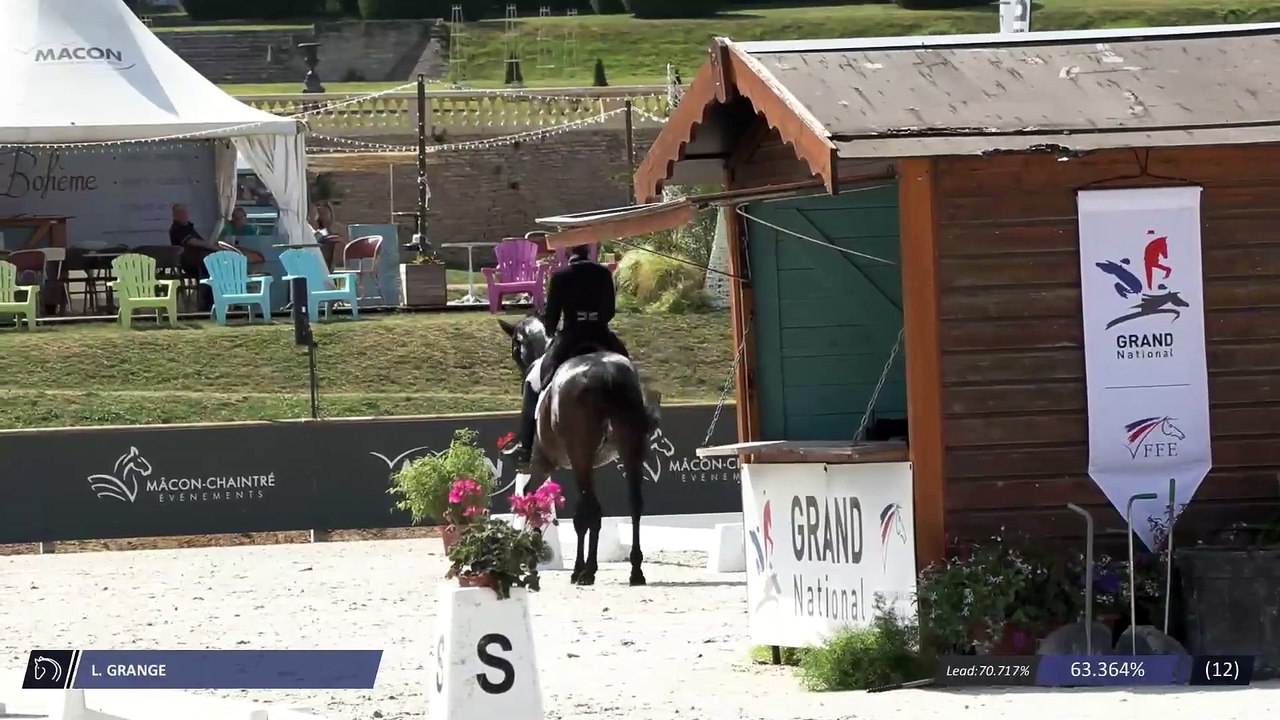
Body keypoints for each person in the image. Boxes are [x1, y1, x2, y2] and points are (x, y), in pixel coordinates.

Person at [502, 243, 629, 468]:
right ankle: (640, 429)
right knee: (629, 371)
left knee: (533, 380)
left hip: (571, 337)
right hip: (601, 334)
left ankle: (524, 446)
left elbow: (551, 318)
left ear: (569, 250)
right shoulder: (603, 273)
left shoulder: (560, 275)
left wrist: (553, 329)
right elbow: (609, 311)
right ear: (589, 248)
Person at [169, 203, 217, 312]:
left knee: (215, 264)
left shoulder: (189, 227)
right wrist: (213, 246)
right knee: (208, 265)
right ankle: (206, 304)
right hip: (190, 264)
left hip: (200, 261)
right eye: (180, 212)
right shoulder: (177, 228)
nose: (184, 215)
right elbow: (193, 242)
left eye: (185, 212)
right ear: (174, 215)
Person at [309, 201, 347, 269]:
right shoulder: (310, 229)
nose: (321, 207)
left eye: (324, 206)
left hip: (331, 261)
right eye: (318, 205)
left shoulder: (337, 228)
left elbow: (344, 243)